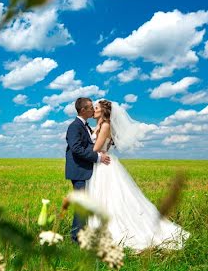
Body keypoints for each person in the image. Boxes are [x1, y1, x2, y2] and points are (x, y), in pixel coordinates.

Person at [85, 99, 189, 251]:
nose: (93, 110)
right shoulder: (98, 125)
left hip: (104, 165)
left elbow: (95, 149)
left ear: (104, 111)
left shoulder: (106, 125)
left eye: (96, 108)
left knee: (111, 198)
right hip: (98, 164)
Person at [65, 97, 111, 242]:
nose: (93, 109)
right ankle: (76, 238)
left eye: (95, 107)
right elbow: (76, 149)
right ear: (83, 110)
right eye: (91, 107)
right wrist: (97, 157)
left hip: (86, 169)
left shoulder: (87, 126)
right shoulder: (75, 126)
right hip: (79, 170)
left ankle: (82, 233)